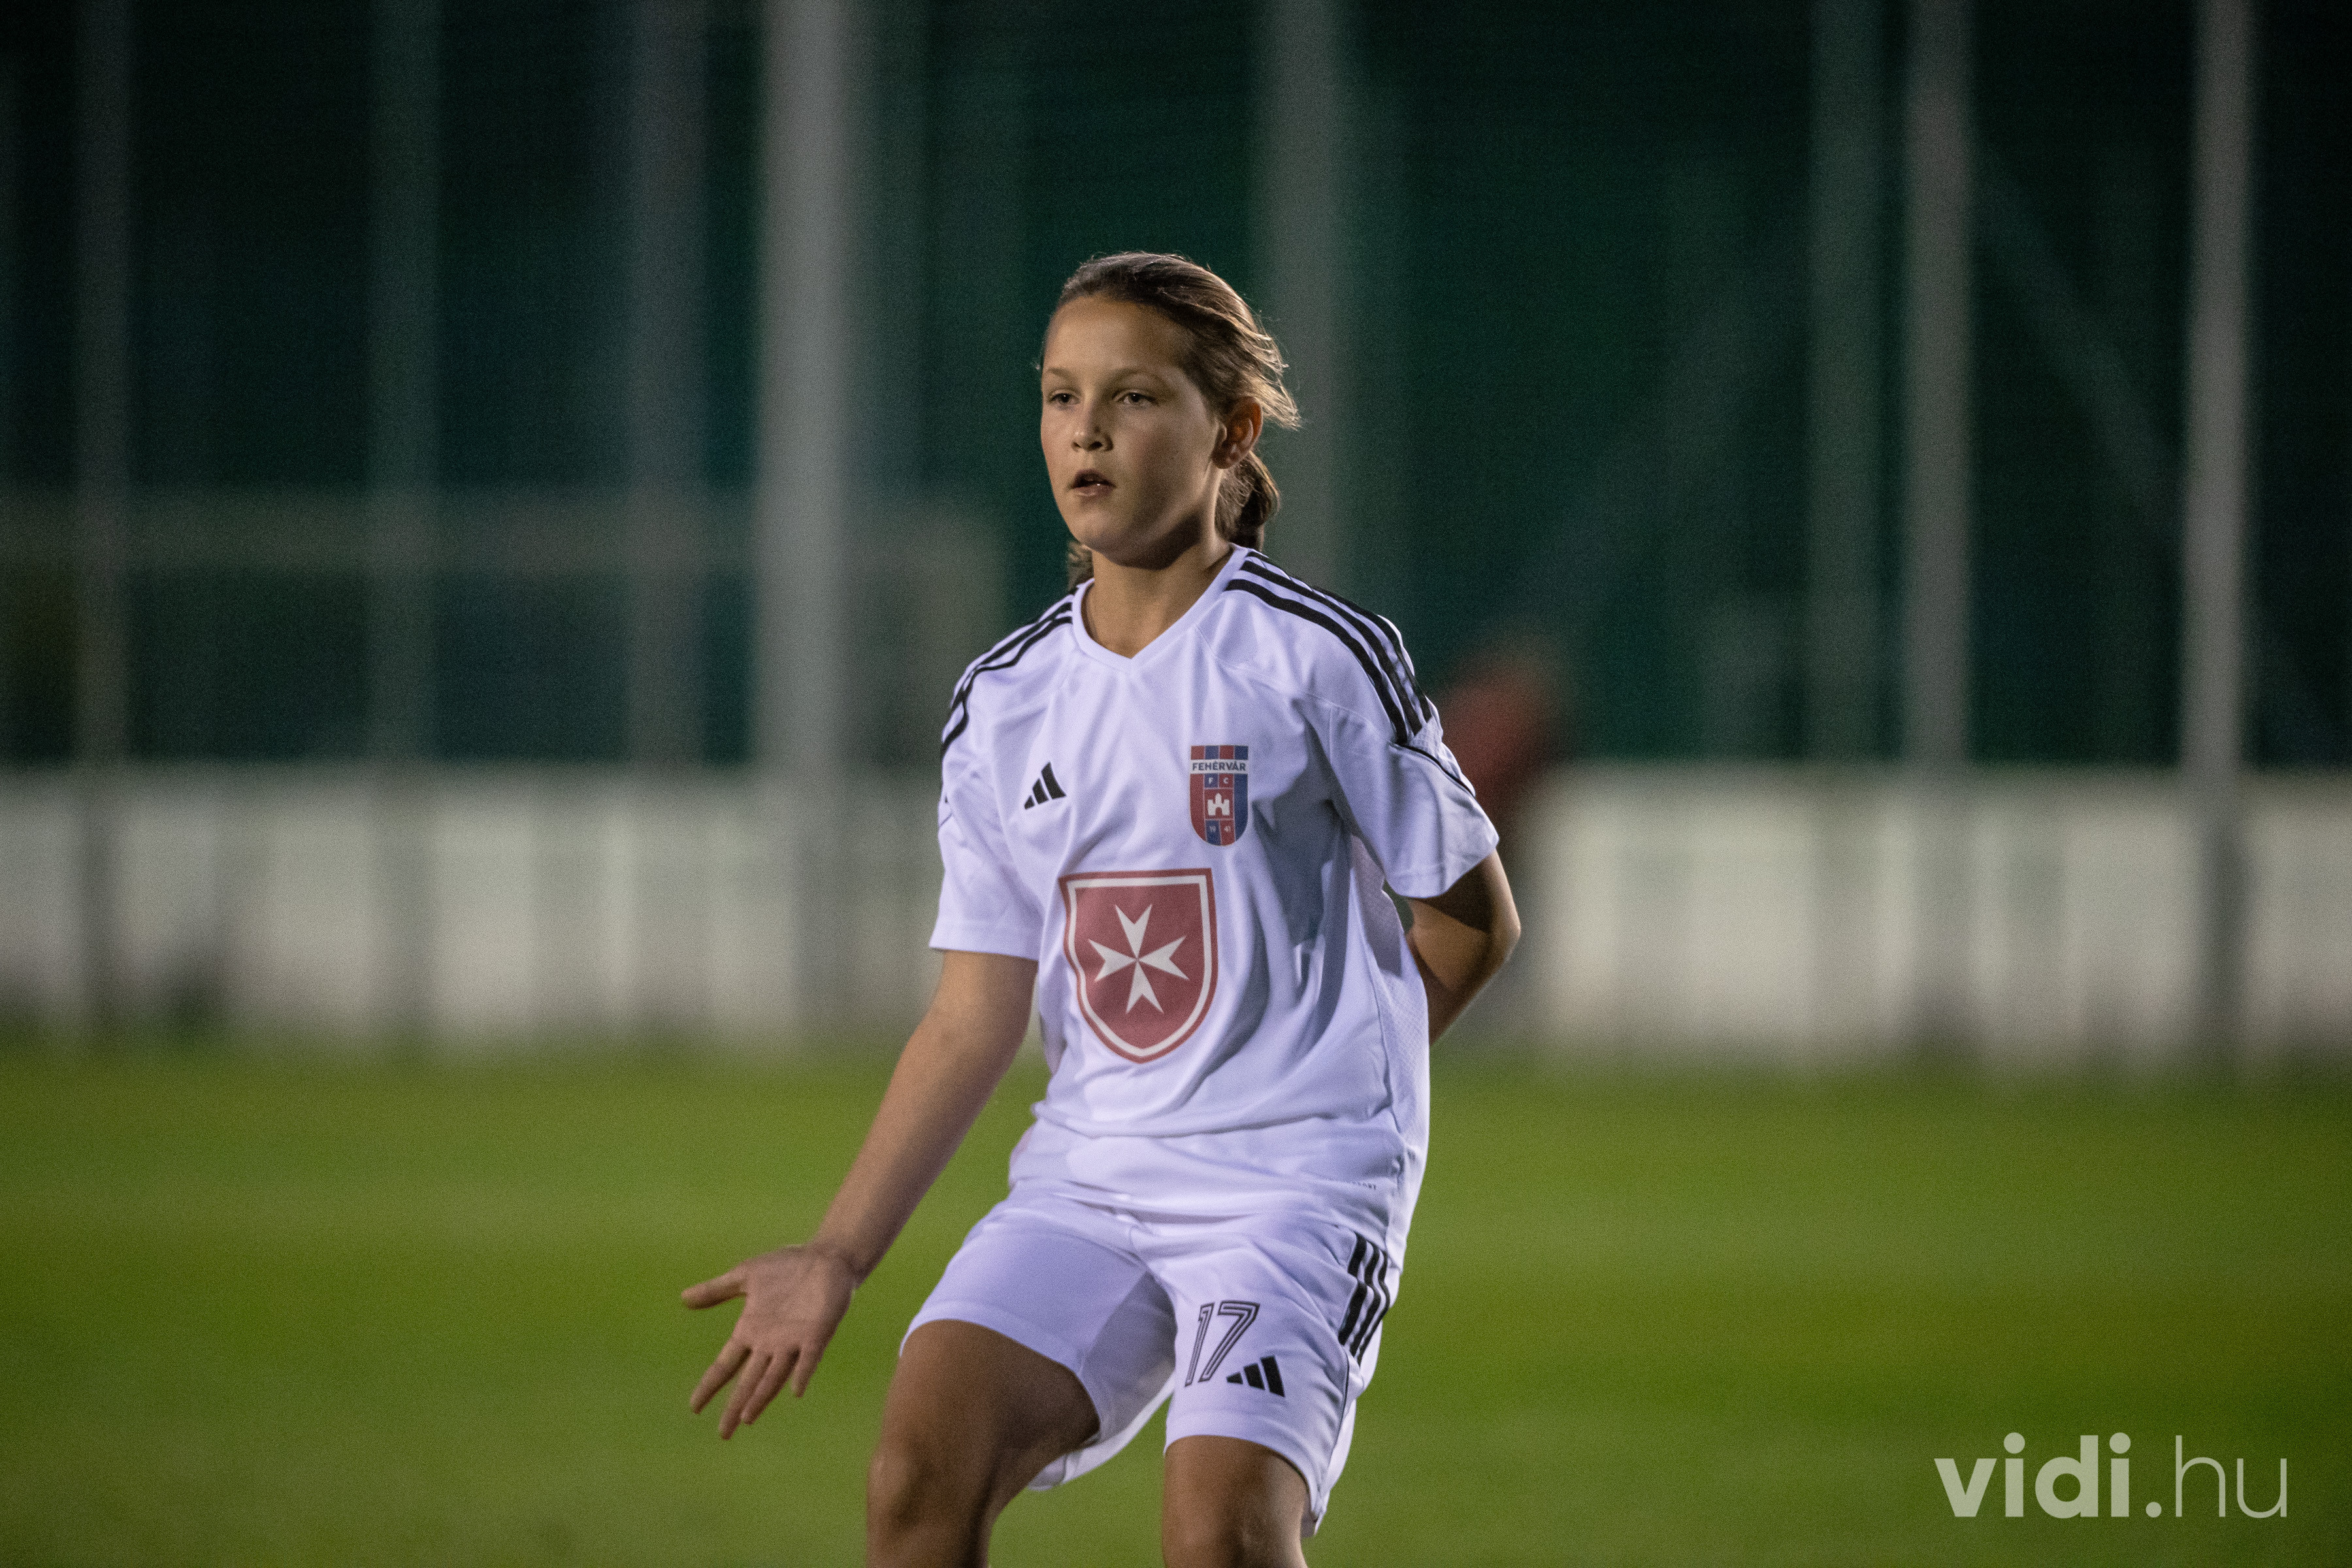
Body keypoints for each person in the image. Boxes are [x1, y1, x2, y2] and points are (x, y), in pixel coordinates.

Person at [682, 252, 1519, 1568]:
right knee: (916, 1478)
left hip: (1290, 1194)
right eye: (1062, 396)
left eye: (1133, 397)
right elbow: (973, 1015)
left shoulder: (1315, 655)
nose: (1086, 430)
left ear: (1230, 431)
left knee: (1220, 1535)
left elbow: (1472, 921)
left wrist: (1339, 1105)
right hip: (1093, 1179)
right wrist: (837, 1254)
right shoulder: (1005, 703)